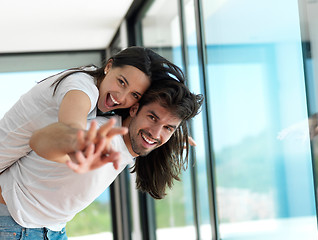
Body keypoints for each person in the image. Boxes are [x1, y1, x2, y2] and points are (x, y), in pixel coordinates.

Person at [0, 79, 203, 239]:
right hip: (15, 223)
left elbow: (157, 135)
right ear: (134, 109)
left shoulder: (133, 142)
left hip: (51, 228)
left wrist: (172, 139)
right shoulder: (96, 134)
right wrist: (76, 144)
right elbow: (43, 142)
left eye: (168, 128)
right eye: (152, 117)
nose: (156, 132)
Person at [0, 46, 186, 173]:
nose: (121, 97)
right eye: (121, 82)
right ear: (109, 66)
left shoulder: (99, 88)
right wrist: (78, 146)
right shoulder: (81, 88)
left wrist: (162, 129)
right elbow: (72, 125)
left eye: (134, 95)